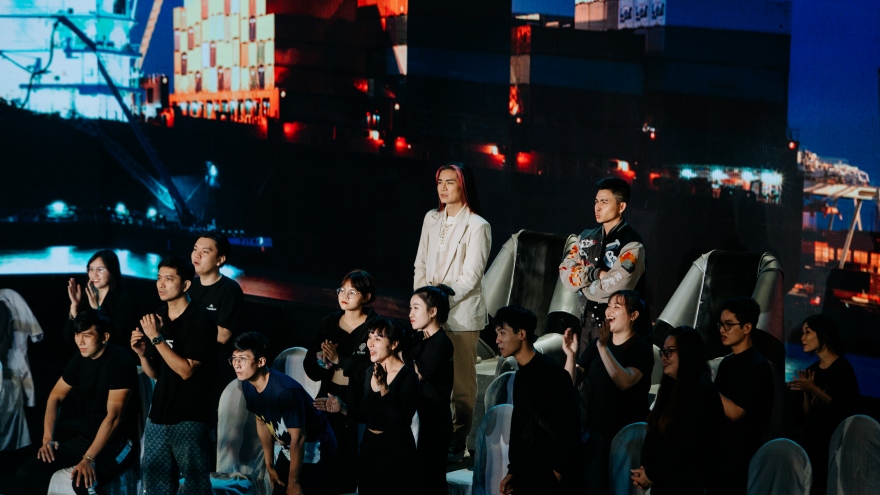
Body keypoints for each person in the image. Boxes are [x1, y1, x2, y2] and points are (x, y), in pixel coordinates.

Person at [413, 162, 491, 462]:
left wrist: (437, 302)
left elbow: (471, 277)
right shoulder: (431, 218)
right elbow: (420, 264)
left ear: (463, 186)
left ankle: (459, 439)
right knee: (428, 377)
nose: (443, 188)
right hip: (431, 313)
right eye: (440, 182)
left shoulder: (478, 225)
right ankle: (432, 433)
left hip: (461, 315)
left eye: (450, 182)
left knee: (461, 383)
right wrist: (422, 302)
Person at [18, 310, 139, 495]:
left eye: (87, 335)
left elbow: (113, 418)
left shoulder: (120, 361)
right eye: (77, 334)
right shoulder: (80, 359)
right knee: (27, 474)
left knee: (83, 483)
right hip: (86, 439)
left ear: (105, 337)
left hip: (118, 443)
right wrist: (48, 440)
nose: (80, 342)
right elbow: (55, 397)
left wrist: (89, 458)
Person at [131, 255, 216, 495]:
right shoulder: (158, 316)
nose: (161, 284)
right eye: (159, 278)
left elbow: (186, 370)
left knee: (194, 485)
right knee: (154, 482)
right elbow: (156, 374)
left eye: (169, 279)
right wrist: (142, 354)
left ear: (186, 284)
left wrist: (156, 338)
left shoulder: (201, 320)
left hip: (190, 415)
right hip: (158, 414)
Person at [562, 289, 654, 494]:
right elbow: (569, 383)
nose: (609, 311)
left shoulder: (640, 347)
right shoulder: (597, 344)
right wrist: (571, 356)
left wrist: (604, 348)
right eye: (609, 305)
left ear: (633, 315)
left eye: (616, 307)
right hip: (594, 435)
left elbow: (625, 381)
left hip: (623, 438)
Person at [314, 318, 419, 495]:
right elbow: (367, 415)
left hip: (395, 450)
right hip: (369, 445)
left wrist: (384, 388)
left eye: (378, 338)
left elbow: (399, 421)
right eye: (369, 337)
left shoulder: (408, 376)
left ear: (394, 344)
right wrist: (342, 408)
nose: (370, 343)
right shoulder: (371, 371)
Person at [233, 332, 337, 495]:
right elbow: (261, 421)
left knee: (299, 489)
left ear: (261, 361)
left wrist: (294, 482)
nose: (236, 365)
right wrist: (269, 464)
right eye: (234, 359)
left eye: (243, 359)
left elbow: (299, 437)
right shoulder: (247, 385)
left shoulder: (285, 392)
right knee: (279, 489)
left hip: (316, 445)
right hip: (289, 446)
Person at [303, 269, 378, 494]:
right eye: (341, 290)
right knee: (324, 458)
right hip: (328, 394)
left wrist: (340, 360)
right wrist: (322, 361)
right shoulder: (329, 322)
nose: (344, 295)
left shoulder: (375, 327)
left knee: (350, 462)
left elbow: (373, 370)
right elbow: (310, 367)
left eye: (352, 292)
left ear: (366, 297)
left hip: (358, 402)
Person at [497, 306, 580, 495]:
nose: (497, 340)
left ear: (522, 334)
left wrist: (558, 471)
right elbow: (518, 426)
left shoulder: (551, 372)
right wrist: (513, 471)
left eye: (502, 333)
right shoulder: (521, 375)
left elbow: (569, 424)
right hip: (527, 472)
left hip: (549, 473)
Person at [631, 327, 724, 494]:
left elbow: (686, 446)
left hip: (686, 486)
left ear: (688, 353)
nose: (664, 357)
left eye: (670, 352)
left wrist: (651, 475)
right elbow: (654, 432)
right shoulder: (670, 387)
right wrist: (646, 470)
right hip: (663, 482)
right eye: (663, 352)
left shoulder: (701, 392)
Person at [558, 177, 646, 354]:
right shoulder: (585, 237)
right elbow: (565, 273)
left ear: (621, 206)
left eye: (604, 202)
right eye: (596, 201)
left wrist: (583, 283)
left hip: (619, 330)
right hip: (587, 325)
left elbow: (618, 285)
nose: (597, 207)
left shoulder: (632, 244)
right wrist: (595, 274)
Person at [788, 314, 860, 495]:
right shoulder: (811, 371)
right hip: (812, 445)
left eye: (807, 332)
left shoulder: (842, 369)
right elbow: (806, 415)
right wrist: (806, 392)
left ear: (823, 334)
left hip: (834, 448)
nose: (802, 338)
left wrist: (813, 389)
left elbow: (845, 409)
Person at [713, 297, 775, 495]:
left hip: (742, 456)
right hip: (720, 451)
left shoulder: (757, 366)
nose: (722, 330)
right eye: (721, 324)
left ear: (747, 327)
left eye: (729, 325)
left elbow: (736, 412)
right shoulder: (727, 363)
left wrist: (705, 382)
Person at [405, 285, 455, 495]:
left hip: (433, 422)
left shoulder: (442, 342)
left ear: (433, 311)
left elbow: (418, 374)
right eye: (410, 308)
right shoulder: (418, 338)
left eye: (416, 308)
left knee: (430, 480)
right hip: (417, 417)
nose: (410, 313)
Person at [188, 231, 244, 404]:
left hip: (215, 371)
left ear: (220, 260)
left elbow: (224, 334)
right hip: (188, 364)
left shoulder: (230, 289)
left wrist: (188, 325)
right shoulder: (189, 286)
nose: (197, 255)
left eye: (205, 252)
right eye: (195, 249)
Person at [64, 249, 135, 348]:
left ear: (112, 271)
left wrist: (97, 310)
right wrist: (74, 306)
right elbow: (68, 338)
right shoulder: (85, 296)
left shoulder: (122, 299)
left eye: (100, 269)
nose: (94, 274)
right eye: (91, 269)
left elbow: (114, 339)